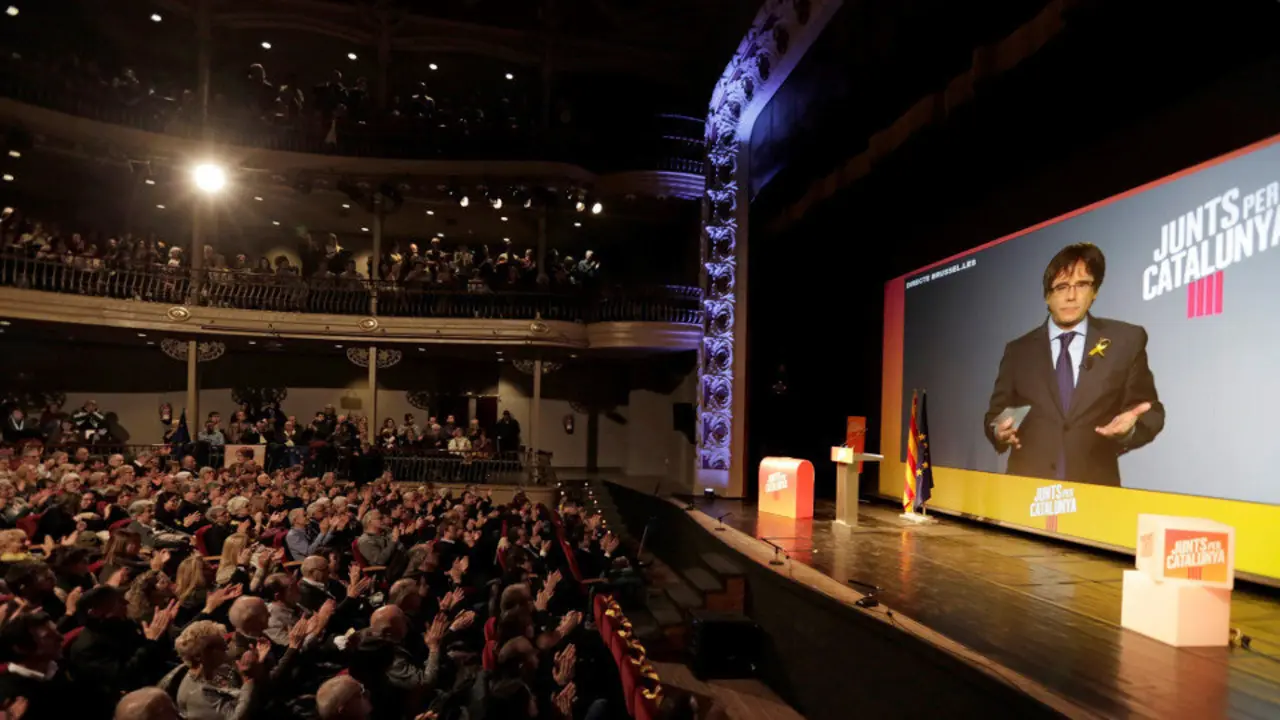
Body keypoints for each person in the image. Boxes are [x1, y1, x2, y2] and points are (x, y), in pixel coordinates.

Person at [984, 243, 1165, 486]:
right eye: (1061, 287)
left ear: (1095, 291)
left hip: (1093, 493)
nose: (1071, 296)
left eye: (1081, 285)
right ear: (1047, 296)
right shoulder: (1018, 351)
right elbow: (995, 415)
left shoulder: (1126, 341)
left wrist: (1130, 429)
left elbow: (1150, 411)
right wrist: (998, 431)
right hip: (1027, 491)